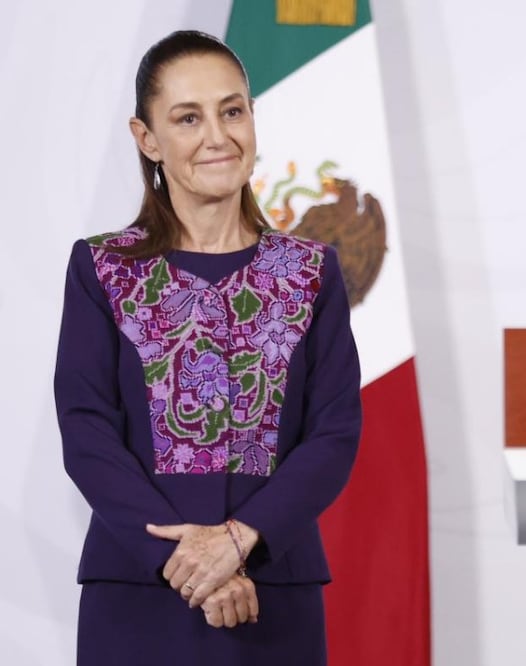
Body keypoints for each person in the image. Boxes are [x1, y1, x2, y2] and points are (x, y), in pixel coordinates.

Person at [53, 30, 362, 663]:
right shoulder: (102, 268)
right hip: (139, 593)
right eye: (187, 118)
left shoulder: (310, 272)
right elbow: (87, 432)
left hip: (273, 592)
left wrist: (241, 540)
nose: (218, 136)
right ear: (147, 139)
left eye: (232, 110)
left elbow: (334, 432)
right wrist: (189, 561)